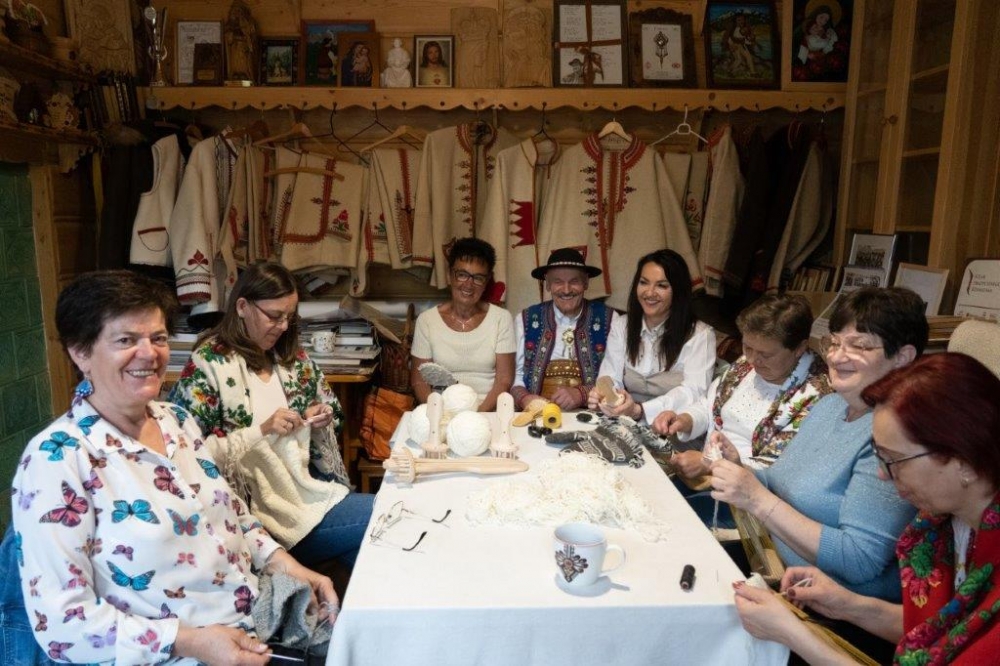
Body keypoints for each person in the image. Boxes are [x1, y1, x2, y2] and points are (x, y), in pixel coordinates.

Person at [3, 270, 336, 664]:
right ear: (80, 352)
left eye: (158, 338)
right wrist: (189, 642)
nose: (149, 354)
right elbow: (63, 625)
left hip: (253, 627)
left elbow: (233, 515)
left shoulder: (175, 420)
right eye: (126, 340)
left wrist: (288, 565)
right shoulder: (56, 459)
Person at [734, 353, 1000, 664]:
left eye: (895, 460)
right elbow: (935, 631)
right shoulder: (947, 526)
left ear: (965, 460)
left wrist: (793, 634)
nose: (882, 474)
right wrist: (848, 604)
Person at [709, 287, 928, 606]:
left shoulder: (896, 437)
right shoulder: (829, 406)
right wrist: (741, 470)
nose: (836, 357)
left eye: (859, 346)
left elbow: (859, 561)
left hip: (828, 610)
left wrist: (755, 498)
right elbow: (779, 481)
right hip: (770, 565)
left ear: (903, 357)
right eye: (835, 343)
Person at [169, 262, 373, 569]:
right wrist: (262, 430)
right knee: (381, 514)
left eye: (290, 316)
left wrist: (321, 417)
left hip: (303, 497)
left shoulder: (293, 359)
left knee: (369, 553)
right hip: (257, 518)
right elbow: (185, 452)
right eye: (274, 316)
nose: (283, 326)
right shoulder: (209, 364)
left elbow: (335, 414)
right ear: (242, 307)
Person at [657, 294, 831, 526]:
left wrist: (710, 462)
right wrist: (686, 419)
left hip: (751, 501)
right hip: (708, 476)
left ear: (799, 348)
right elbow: (711, 406)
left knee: (671, 519)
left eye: (765, 354)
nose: (753, 359)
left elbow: (778, 469)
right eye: (747, 347)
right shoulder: (747, 365)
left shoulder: (817, 396)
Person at [587, 249, 716, 424]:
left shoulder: (701, 335)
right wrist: (607, 398)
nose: (649, 292)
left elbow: (694, 391)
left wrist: (640, 410)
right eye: (644, 283)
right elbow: (610, 376)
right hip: (626, 422)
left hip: (673, 427)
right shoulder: (621, 326)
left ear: (678, 291)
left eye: (662, 285)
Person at [410, 238, 515, 411]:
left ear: (487, 281)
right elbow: (419, 381)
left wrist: (477, 415)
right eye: (462, 274)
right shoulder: (427, 320)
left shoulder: (501, 319)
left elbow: (504, 380)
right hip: (441, 411)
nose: (468, 284)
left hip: (487, 411)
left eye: (478, 278)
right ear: (449, 275)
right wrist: (439, 414)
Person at [512, 248, 619, 411]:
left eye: (574, 281)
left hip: (593, 414)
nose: (566, 290)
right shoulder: (525, 319)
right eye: (558, 282)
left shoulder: (610, 319)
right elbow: (515, 374)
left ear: (586, 283)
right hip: (537, 414)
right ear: (547, 284)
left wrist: (582, 395)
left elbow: (616, 377)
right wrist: (525, 398)